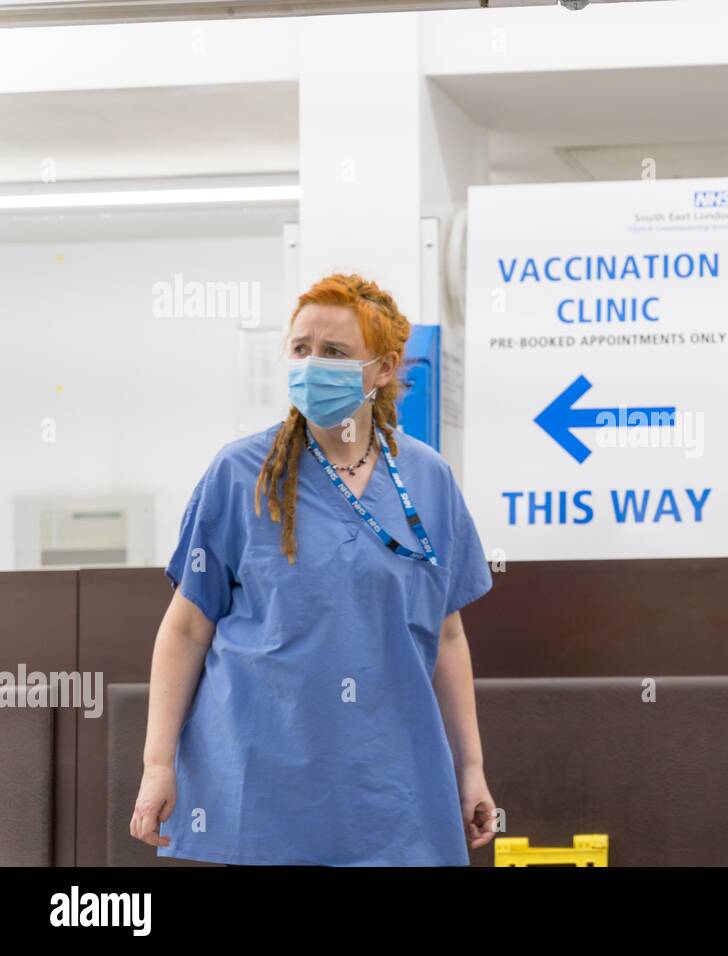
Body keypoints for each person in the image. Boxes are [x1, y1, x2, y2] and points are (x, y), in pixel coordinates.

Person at [129, 273, 496, 866]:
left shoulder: (428, 481)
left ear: (383, 368)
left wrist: (470, 767)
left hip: (390, 787)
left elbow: (446, 635)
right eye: (300, 349)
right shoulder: (240, 473)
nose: (311, 365)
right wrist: (156, 765)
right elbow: (187, 628)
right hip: (261, 778)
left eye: (334, 352)